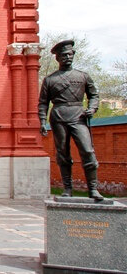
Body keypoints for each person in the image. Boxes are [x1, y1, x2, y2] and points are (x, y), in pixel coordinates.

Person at [38, 39, 103, 201]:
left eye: (69, 54)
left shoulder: (83, 76)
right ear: (57, 58)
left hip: (78, 115)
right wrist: (42, 121)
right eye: (63, 55)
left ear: (73, 55)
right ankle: (67, 188)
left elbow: (94, 95)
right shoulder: (50, 80)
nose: (67, 57)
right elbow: (43, 102)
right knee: (62, 153)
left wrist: (92, 108)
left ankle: (93, 189)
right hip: (59, 115)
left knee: (87, 150)